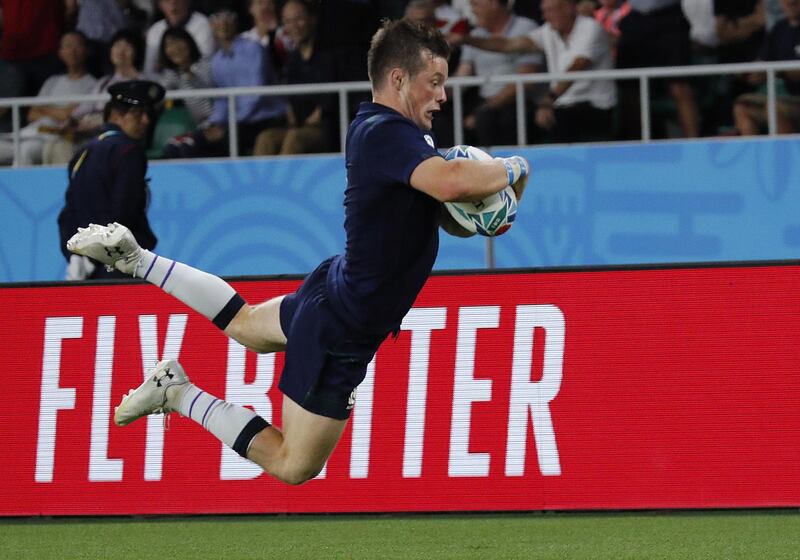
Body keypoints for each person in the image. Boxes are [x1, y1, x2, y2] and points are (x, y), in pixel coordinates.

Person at [65, 19, 530, 485]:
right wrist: (516, 165)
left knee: (246, 326)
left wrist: (499, 203)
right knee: (295, 465)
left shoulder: (400, 135)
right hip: (344, 327)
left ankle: (137, 260)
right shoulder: (386, 133)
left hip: (336, 289)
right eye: (436, 82)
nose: (443, 95)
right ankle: (179, 395)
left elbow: (457, 216)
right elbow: (452, 184)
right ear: (398, 78)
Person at [453, 0, 617, 143]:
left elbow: (576, 67)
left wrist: (548, 101)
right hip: (562, 106)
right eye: (543, 11)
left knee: (545, 120)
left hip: (595, 107)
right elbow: (508, 45)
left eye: (550, 11)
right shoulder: (548, 30)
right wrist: (466, 39)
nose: (545, 17)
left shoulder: (590, 28)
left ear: (568, 8)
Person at [58, 79, 164, 280]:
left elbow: (67, 214)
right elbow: (123, 211)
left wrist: (75, 256)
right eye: (137, 113)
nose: (145, 121)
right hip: (121, 264)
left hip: (84, 267)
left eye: (147, 114)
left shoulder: (82, 153)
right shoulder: (128, 151)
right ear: (116, 114)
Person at [163, 7, 287, 158]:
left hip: (265, 120)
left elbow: (255, 95)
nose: (223, 23)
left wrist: (229, 124)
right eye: (217, 17)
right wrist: (214, 123)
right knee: (187, 145)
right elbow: (222, 101)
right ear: (211, 24)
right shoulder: (217, 61)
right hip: (236, 123)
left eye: (228, 16)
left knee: (224, 138)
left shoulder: (254, 49)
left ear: (236, 21)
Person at [46, 28, 156, 165]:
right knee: (55, 143)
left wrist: (98, 124)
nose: (121, 51)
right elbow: (84, 108)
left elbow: (136, 115)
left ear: (136, 52)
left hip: (115, 135)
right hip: (90, 133)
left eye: (127, 47)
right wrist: (71, 121)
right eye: (117, 46)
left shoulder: (142, 81)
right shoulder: (104, 82)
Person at [0, 30, 96, 166]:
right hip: (28, 134)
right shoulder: (52, 81)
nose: (72, 50)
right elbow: (32, 114)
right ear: (60, 52)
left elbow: (70, 115)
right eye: (67, 45)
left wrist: (46, 109)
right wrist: (60, 111)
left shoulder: (92, 84)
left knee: (26, 151)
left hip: (55, 138)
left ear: (86, 50)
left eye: (77, 45)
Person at [253, 0, 336, 155]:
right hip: (298, 127)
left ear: (312, 19)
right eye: (288, 21)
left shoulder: (329, 56)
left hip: (325, 128)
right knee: (266, 138)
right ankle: (259, 180)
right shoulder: (293, 60)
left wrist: (316, 116)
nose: (294, 26)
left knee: (294, 139)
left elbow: (328, 103)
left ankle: (283, 180)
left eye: (299, 19)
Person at [454, 0, 542, 146]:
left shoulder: (526, 27)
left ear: (493, 3)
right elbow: (462, 76)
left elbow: (526, 79)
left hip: (518, 102)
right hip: (484, 102)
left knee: (493, 118)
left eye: (476, 5)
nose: (472, 11)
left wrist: (486, 108)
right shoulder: (475, 34)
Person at [616, 0, 701, 139]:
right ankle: (634, 146)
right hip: (636, 19)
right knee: (629, 88)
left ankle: (695, 145)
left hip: (670, 20)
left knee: (679, 85)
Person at [733, 0, 800, 135]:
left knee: (775, 108)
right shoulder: (779, 29)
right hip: (791, 99)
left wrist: (779, 72)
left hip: (792, 102)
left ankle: (785, 155)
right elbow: (762, 62)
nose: (790, 2)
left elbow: (780, 71)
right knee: (743, 105)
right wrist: (748, 72)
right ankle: (753, 155)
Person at [143, 0, 215, 74]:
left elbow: (204, 60)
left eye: (177, 1)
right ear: (160, 5)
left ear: (188, 2)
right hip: (165, 80)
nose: (173, 6)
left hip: (198, 78)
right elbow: (149, 70)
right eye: (167, 1)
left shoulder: (202, 23)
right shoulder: (155, 29)